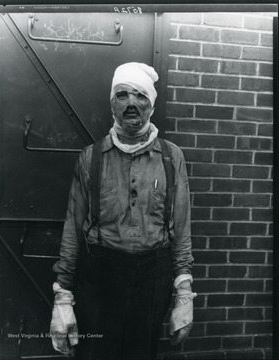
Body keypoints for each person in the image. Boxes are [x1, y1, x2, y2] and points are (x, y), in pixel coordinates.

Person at [50, 62, 196, 360]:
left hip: (152, 278)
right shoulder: (91, 158)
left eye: (140, 95)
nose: (131, 103)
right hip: (100, 278)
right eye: (122, 95)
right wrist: (62, 298)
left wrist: (183, 293)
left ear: (151, 105)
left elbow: (181, 228)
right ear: (112, 104)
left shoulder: (171, 157)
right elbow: (72, 230)